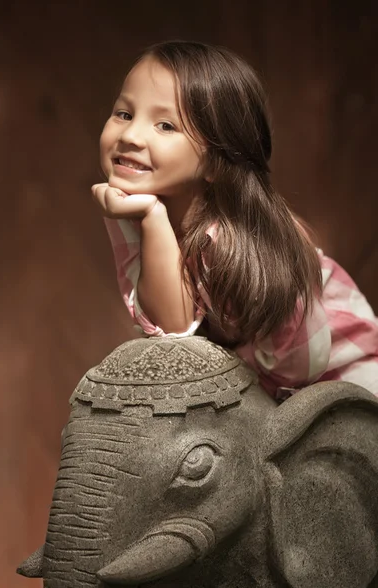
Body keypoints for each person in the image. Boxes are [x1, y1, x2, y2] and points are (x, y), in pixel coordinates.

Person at [92, 40, 378, 399]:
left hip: (347, 379)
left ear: (215, 162)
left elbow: (302, 364)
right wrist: (151, 216)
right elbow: (173, 331)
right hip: (262, 386)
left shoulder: (229, 239)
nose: (131, 136)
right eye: (124, 114)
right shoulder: (142, 211)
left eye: (165, 125)